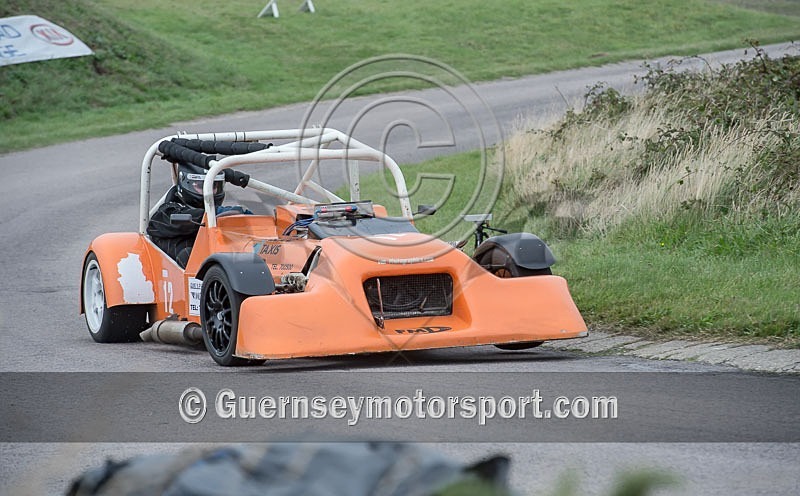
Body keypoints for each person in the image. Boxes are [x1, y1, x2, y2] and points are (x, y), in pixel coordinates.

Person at [147, 162, 243, 268]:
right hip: (171, 275)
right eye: (201, 186)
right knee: (189, 254)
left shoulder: (221, 214)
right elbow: (164, 222)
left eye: (214, 186)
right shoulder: (166, 212)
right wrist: (212, 214)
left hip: (221, 273)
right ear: (185, 183)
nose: (209, 190)